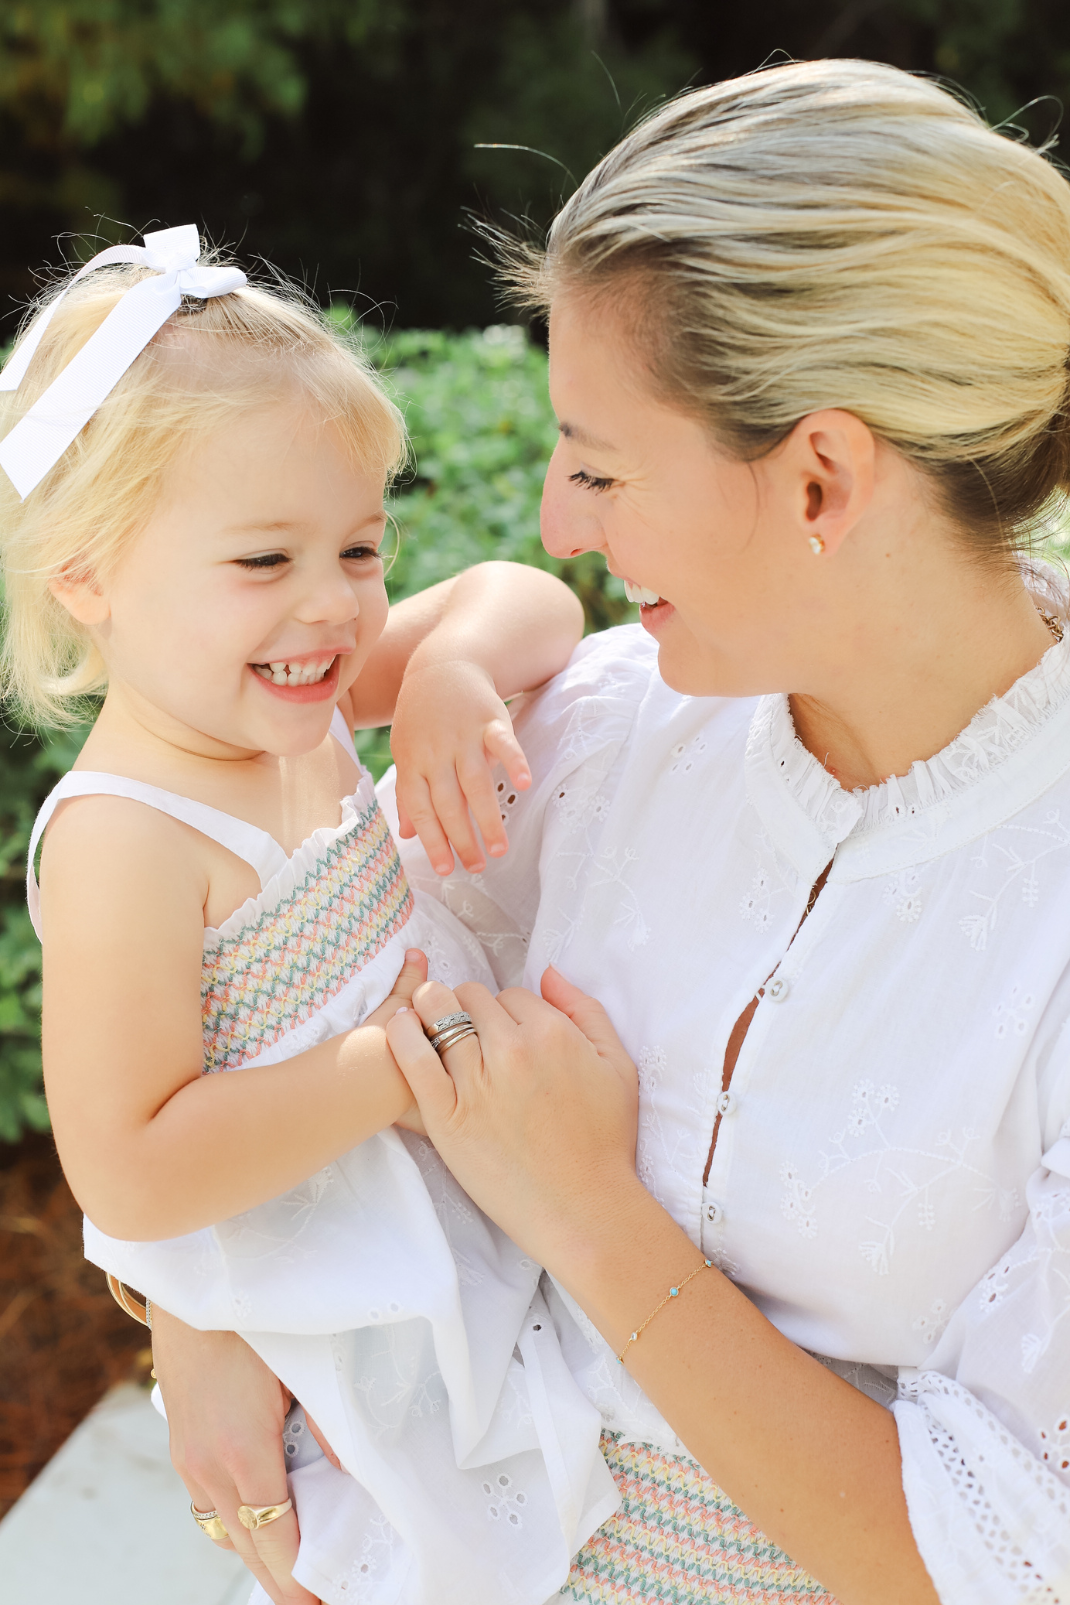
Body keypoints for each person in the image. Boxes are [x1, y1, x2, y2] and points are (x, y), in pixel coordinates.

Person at [140, 57, 1070, 1605]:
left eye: (603, 464)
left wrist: (579, 1205)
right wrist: (195, 1317)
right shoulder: (583, 735)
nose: (557, 523)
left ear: (822, 478)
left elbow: (995, 1551)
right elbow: (245, 1025)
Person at [0, 227, 623, 1605]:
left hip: (460, 1238)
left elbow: (530, 607)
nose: (333, 606)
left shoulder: (294, 705)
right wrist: (387, 1072)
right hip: (331, 1320)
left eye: (358, 546)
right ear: (87, 576)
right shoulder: (127, 840)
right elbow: (136, 1168)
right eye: (263, 560)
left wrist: (453, 665)